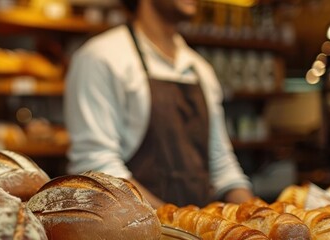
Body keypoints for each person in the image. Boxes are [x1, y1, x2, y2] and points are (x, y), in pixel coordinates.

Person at [64, 0, 254, 208]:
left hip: (195, 223)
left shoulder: (201, 69)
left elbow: (222, 165)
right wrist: (173, 221)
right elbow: (98, 167)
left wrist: (258, 214)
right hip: (132, 224)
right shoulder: (101, 58)